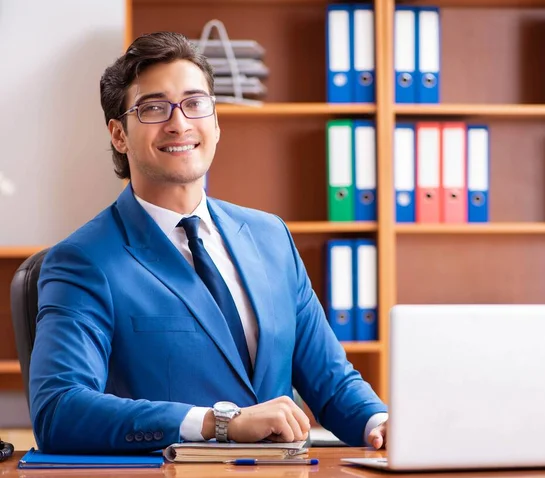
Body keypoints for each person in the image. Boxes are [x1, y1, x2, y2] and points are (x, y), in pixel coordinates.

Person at [28, 31, 388, 454]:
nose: (179, 122)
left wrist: (379, 422)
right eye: (154, 108)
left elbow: (332, 382)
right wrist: (218, 423)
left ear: (216, 123)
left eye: (195, 104)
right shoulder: (84, 261)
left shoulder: (271, 237)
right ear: (119, 135)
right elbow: (58, 409)